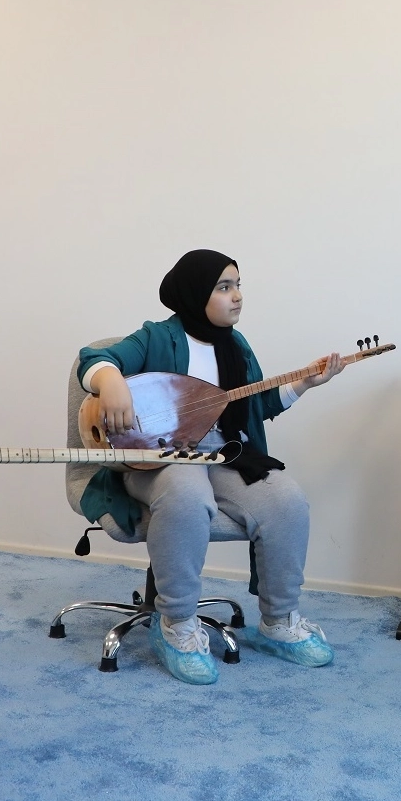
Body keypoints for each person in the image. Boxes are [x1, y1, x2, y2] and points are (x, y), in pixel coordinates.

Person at [77, 249, 343, 685]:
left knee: (286, 499)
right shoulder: (157, 337)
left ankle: (278, 622)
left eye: (238, 285)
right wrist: (110, 381)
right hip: (155, 459)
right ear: (195, 292)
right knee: (187, 493)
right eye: (224, 287)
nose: (237, 296)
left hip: (225, 454)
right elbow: (92, 359)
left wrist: (306, 384)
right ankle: (177, 624)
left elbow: (255, 407)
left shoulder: (236, 346)